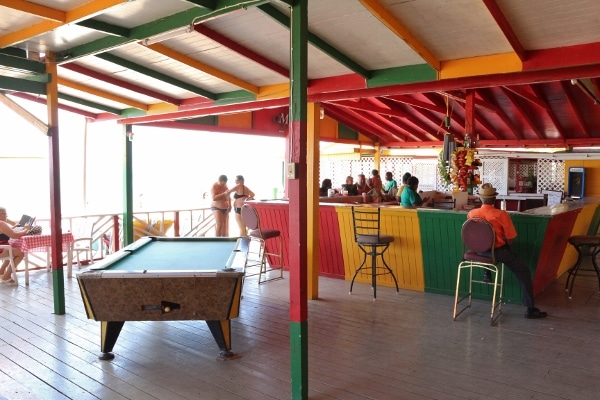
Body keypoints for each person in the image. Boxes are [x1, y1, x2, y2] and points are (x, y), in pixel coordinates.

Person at [467, 183, 547, 319]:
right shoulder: (501, 214)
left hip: (477, 252)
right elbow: (511, 238)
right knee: (523, 270)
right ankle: (530, 309)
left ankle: (487, 270)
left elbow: (475, 235)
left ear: (481, 199)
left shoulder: (472, 214)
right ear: (494, 199)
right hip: (497, 252)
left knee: (489, 250)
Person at [0, 207, 29, 284]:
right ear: (1, 214)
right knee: (20, 253)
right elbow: (15, 236)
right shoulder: (2, 223)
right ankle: (6, 276)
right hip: (1, 249)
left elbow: (3, 232)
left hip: (3, 248)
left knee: (12, 249)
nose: (7, 216)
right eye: (6, 214)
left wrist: (13, 226)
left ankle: (1, 272)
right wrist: (26, 229)